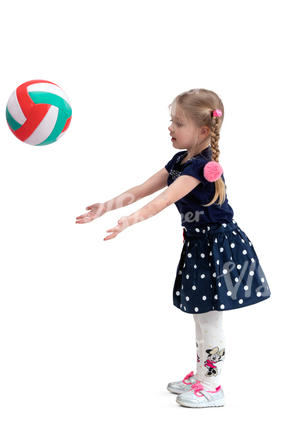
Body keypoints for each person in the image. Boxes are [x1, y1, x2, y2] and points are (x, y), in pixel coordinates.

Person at [75, 88, 271, 408]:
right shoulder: (181, 160)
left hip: (219, 249)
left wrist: (129, 221)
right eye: (172, 121)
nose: (170, 127)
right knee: (200, 314)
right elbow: (143, 189)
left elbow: (164, 200)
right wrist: (106, 207)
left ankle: (212, 385)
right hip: (199, 246)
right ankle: (203, 375)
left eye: (178, 123)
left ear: (203, 131)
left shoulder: (200, 167)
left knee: (209, 318)